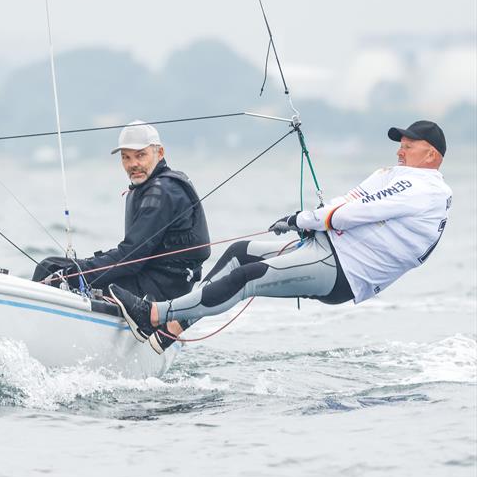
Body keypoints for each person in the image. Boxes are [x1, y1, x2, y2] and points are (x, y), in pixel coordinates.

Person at [109, 120, 452, 354]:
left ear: (431, 155)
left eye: (408, 146)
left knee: (247, 277)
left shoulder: (425, 188)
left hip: (342, 269)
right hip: (325, 247)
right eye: (400, 145)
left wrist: (302, 218)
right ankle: (173, 328)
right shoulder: (393, 175)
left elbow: (354, 213)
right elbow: (347, 203)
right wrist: (306, 221)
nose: (399, 151)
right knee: (240, 252)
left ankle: (152, 315)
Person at [34, 120, 211, 304]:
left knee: (60, 278)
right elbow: (133, 253)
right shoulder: (147, 187)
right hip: (144, 275)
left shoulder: (162, 191)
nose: (132, 164)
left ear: (160, 153)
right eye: (126, 157)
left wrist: (75, 275)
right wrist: (77, 269)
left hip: (161, 290)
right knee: (49, 266)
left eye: (140, 155)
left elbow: (131, 257)